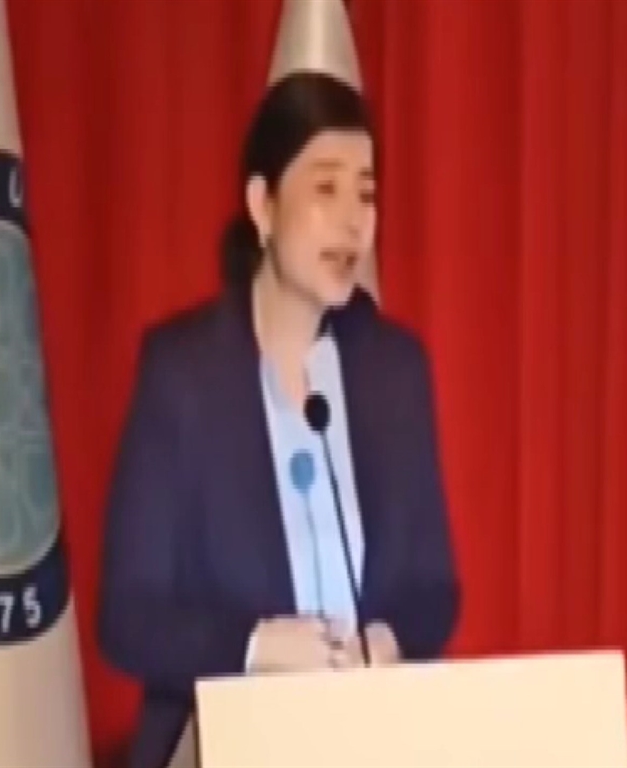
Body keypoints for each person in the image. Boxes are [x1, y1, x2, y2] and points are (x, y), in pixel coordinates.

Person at [96, 71, 461, 768]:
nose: (353, 221)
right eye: (326, 189)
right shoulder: (184, 374)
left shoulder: (394, 371)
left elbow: (434, 590)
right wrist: (255, 646)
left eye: (366, 195)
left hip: (374, 741)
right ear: (262, 206)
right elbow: (128, 617)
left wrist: (387, 640)